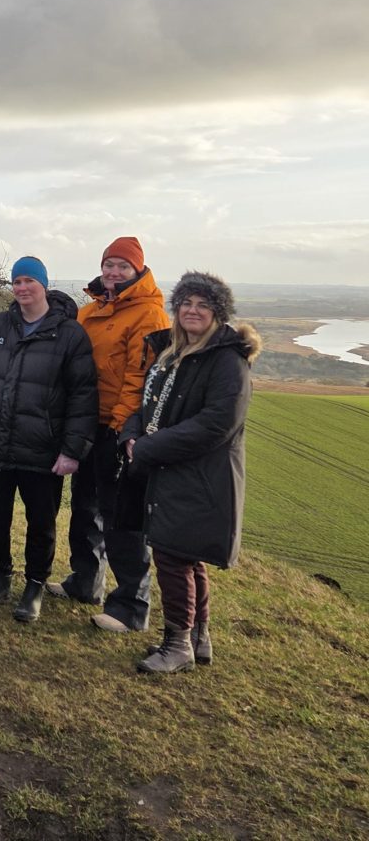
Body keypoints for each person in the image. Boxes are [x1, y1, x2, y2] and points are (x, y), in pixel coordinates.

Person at [121, 271, 260, 674]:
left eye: (203, 305)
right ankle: (198, 637)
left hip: (200, 475)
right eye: (186, 304)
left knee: (173, 555)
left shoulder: (227, 361)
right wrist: (131, 434)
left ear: (218, 313)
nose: (192, 311)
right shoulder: (172, 355)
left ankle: (176, 644)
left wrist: (147, 447)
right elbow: (147, 406)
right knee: (186, 556)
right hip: (171, 471)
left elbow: (216, 424)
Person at [0, 256, 97, 622]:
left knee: (41, 522)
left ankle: (34, 587)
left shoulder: (69, 334)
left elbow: (83, 396)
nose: (21, 288)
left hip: (43, 449)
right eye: (16, 281)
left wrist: (72, 450)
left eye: (29, 281)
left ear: (44, 285)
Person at [46, 237, 170, 633]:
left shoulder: (150, 315)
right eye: (109, 265)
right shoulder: (92, 310)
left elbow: (141, 379)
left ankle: (131, 607)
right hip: (87, 421)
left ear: (138, 270)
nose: (114, 272)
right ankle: (85, 583)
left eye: (122, 266)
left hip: (118, 428)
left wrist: (119, 428)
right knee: (84, 507)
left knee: (122, 518)